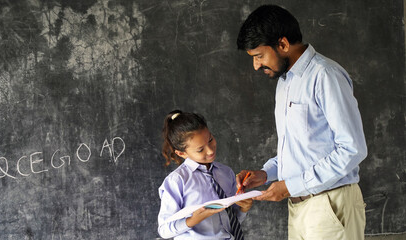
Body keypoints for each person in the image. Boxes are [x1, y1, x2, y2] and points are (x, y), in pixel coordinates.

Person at [235, 4, 367, 240]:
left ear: (283, 44)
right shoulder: (285, 82)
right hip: (298, 208)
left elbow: (352, 149)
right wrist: (265, 174)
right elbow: (300, 149)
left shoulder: (325, 76)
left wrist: (290, 186)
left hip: (330, 205)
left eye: (259, 56)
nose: (256, 65)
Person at [157, 110, 253, 239]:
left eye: (210, 140)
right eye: (200, 149)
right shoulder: (177, 181)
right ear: (181, 153)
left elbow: (231, 222)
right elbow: (164, 230)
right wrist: (194, 220)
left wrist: (243, 209)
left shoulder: (226, 172)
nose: (210, 150)